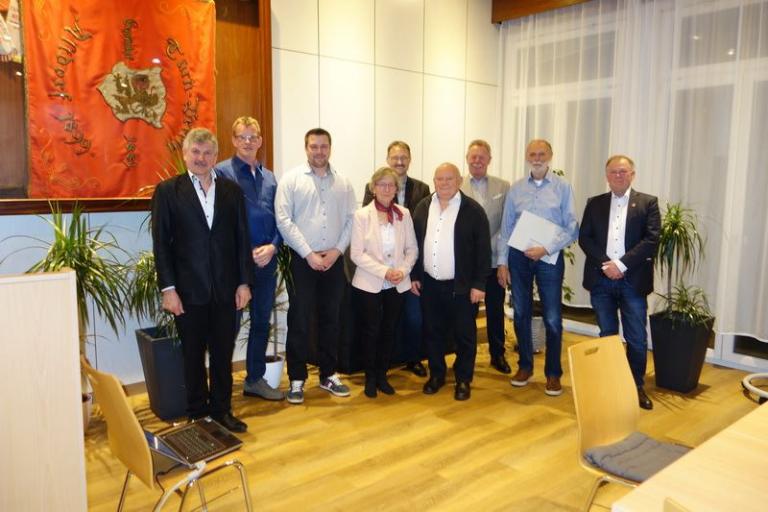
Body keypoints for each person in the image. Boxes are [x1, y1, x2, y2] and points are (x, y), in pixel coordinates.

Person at [152, 127, 252, 433]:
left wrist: (244, 283)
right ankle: (197, 414)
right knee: (193, 355)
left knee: (223, 354)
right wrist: (168, 289)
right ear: (185, 155)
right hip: (187, 291)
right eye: (195, 152)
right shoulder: (168, 191)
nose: (201, 158)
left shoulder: (231, 191)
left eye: (208, 152)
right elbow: (161, 244)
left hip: (226, 289)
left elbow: (241, 239)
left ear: (216, 156)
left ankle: (222, 411)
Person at [275, 128, 357, 404]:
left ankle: (328, 374)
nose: (319, 151)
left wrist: (337, 251)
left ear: (330, 148)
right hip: (301, 260)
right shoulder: (291, 180)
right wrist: (309, 254)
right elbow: (284, 220)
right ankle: (297, 379)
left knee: (331, 319)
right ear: (306, 148)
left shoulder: (343, 183)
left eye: (323, 146)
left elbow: (351, 219)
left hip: (333, 260)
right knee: (299, 320)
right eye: (314, 146)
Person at [497, 139, 578, 397]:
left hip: (548, 258)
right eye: (532, 154)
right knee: (521, 312)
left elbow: (572, 227)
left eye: (542, 153)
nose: (537, 158)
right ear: (526, 157)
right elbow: (506, 228)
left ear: (550, 155)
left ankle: (553, 374)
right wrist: (502, 262)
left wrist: (546, 248)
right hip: (519, 258)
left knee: (552, 317)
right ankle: (525, 367)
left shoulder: (563, 187)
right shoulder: (517, 188)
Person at [578, 155, 660, 410]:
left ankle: (635, 386)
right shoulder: (595, 203)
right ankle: (611, 385)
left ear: (632, 174)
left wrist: (621, 265)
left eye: (623, 171)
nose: (618, 176)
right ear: (607, 176)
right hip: (601, 279)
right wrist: (607, 264)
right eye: (613, 172)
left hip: (633, 281)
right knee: (607, 336)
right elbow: (585, 238)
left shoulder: (648, 203)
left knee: (636, 338)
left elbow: (651, 240)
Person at [215, 116, 284, 401]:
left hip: (267, 261)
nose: (247, 142)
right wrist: (244, 253)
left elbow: (281, 218)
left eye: (252, 137)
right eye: (242, 137)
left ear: (260, 141)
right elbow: (219, 222)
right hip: (236, 265)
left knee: (261, 322)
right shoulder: (221, 172)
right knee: (228, 325)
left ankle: (255, 379)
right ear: (233, 140)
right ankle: (220, 388)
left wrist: (274, 247)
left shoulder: (270, 177)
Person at [411, 163, 490, 401]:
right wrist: (415, 276)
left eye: (449, 179)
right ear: (434, 181)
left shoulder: (473, 210)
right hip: (430, 284)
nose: (443, 183)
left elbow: (483, 251)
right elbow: (414, 244)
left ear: (459, 181)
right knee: (433, 332)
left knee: (465, 335)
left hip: (462, 287)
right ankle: (437, 374)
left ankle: (463, 379)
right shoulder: (423, 206)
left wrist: (479, 284)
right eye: (439, 179)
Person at [363, 141, 430, 377]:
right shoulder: (371, 187)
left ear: (410, 159)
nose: (399, 162)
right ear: (388, 159)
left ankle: (413, 359)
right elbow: (368, 231)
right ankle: (385, 363)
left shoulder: (422, 188)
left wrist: (412, 272)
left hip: (408, 267)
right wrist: (382, 269)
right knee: (383, 322)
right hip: (378, 270)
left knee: (413, 318)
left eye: (404, 157)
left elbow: (420, 234)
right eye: (395, 157)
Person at [351, 167, 418, 398]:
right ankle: (370, 378)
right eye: (382, 184)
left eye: (391, 185)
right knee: (371, 331)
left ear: (396, 189)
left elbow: (412, 249)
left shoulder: (404, 214)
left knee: (389, 330)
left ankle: (382, 375)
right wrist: (385, 272)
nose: (387, 189)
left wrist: (402, 270)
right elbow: (356, 254)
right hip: (369, 283)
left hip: (397, 283)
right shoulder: (362, 215)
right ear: (374, 188)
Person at [460, 139, 511, 374]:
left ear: (489, 159)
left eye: (482, 156)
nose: (477, 160)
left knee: (495, 310)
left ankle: (497, 354)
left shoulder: (503, 186)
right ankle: (465, 357)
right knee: (466, 314)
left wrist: (503, 262)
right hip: (466, 263)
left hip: (493, 260)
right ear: (467, 159)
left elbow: (506, 226)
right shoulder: (457, 184)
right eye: (473, 156)